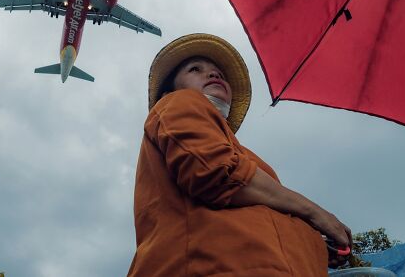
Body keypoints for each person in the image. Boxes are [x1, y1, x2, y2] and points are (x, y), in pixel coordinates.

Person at [128, 34, 352, 276]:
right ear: (166, 94)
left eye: (220, 74)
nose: (214, 75)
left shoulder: (242, 154)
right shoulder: (179, 101)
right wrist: (315, 213)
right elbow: (216, 173)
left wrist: (311, 242)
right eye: (195, 69)